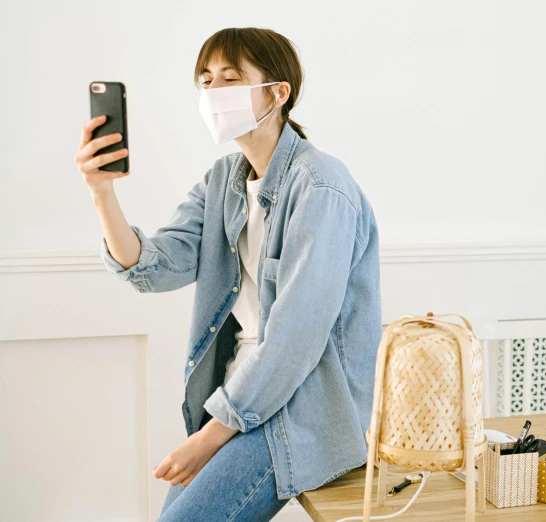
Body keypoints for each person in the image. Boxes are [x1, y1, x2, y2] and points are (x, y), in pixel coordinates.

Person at [74, 27, 382, 522]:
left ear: (278, 93)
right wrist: (101, 193)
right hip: (237, 401)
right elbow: (155, 269)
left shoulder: (321, 187)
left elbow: (294, 341)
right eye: (206, 80)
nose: (214, 93)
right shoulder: (223, 180)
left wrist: (207, 438)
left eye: (231, 79)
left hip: (300, 412)